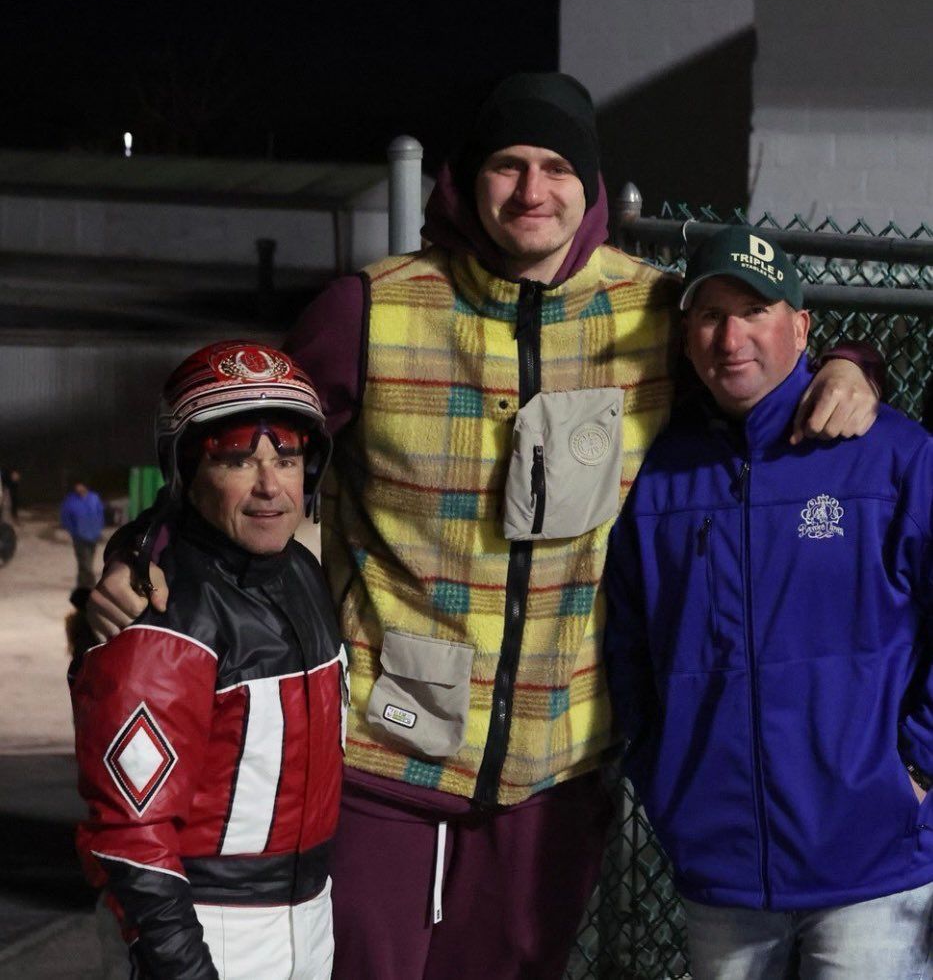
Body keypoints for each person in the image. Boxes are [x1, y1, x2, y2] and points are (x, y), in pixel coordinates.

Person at [88, 73, 880, 979]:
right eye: (508, 165)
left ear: (588, 184)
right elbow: (235, 443)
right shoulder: (372, 308)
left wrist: (851, 364)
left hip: (555, 764)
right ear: (467, 179)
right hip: (382, 753)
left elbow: (759, 375)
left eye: (556, 168)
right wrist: (143, 547)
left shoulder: (654, 313)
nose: (532, 190)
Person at [604, 226, 933, 979]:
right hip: (720, 872)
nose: (731, 338)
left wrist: (915, 767)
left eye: (754, 311)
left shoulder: (891, 455)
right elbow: (629, 646)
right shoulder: (656, 474)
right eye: (710, 315)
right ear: (686, 335)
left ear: (802, 326)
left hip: (872, 869)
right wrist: (663, 777)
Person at [70, 341, 345, 979]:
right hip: (213, 925)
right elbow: (130, 837)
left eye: (287, 457)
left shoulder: (302, 573)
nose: (270, 486)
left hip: (310, 915)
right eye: (237, 459)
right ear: (187, 470)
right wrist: (182, 966)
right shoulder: (163, 617)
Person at [60, 479, 106, 588]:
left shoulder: (94, 498)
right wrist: (72, 530)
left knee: (88, 559)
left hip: (93, 534)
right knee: (84, 560)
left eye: (81, 485)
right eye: (77, 486)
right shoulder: (70, 500)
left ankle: (82, 582)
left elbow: (100, 514)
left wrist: (99, 528)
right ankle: (90, 582)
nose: (79, 488)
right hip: (79, 535)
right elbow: (65, 517)